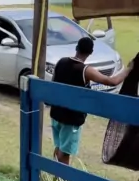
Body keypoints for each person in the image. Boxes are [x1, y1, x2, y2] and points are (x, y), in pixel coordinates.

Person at [51, 36, 131, 165]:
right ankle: (61, 175)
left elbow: (53, 83)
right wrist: (129, 69)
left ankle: (53, 172)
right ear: (91, 52)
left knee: (59, 146)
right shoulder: (85, 70)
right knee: (64, 152)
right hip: (70, 118)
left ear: (76, 48)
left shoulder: (61, 62)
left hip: (56, 114)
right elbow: (112, 81)